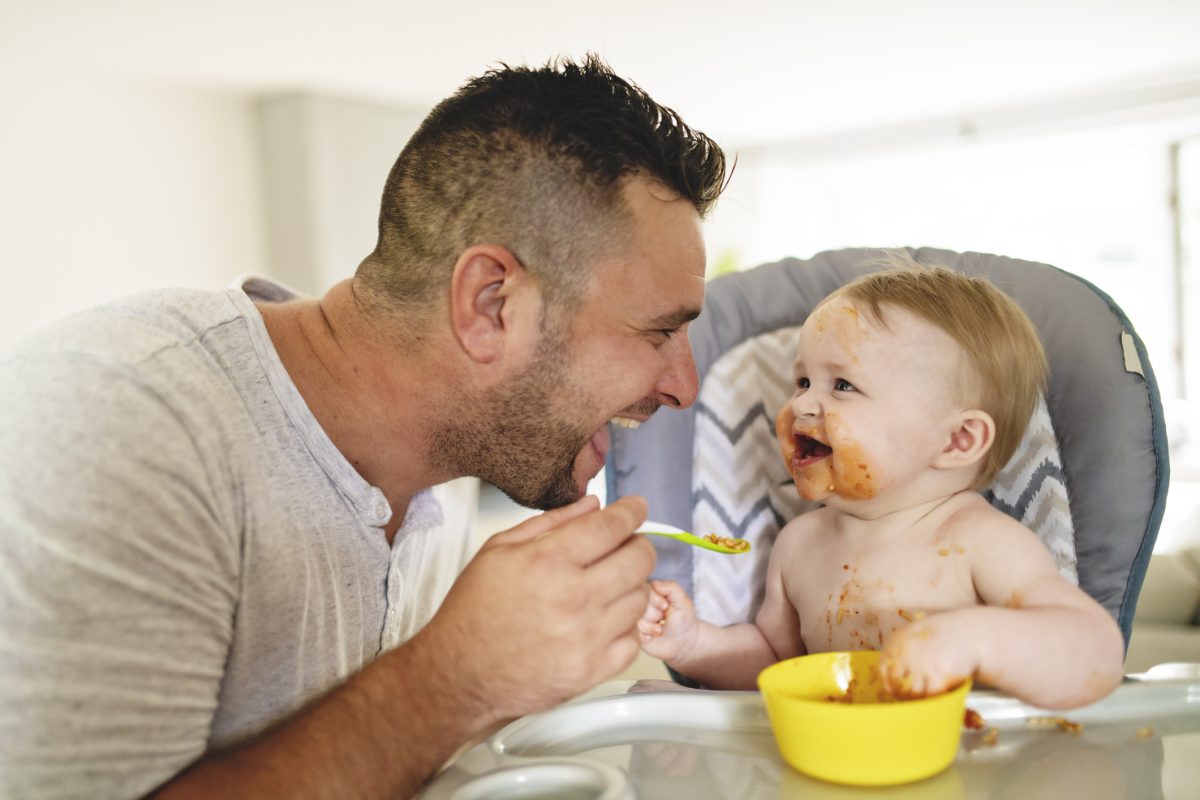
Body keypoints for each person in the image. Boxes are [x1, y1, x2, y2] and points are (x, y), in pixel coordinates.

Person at [0, 55, 727, 798]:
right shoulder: (119, 421)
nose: (684, 387)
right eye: (658, 332)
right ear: (491, 305)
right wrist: (452, 679)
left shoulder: (436, 482)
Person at [638, 262, 1126, 709]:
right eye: (803, 381)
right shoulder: (799, 545)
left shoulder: (979, 541)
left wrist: (974, 641)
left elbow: (1097, 652)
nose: (804, 406)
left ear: (957, 440)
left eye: (843, 386)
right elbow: (775, 667)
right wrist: (695, 645)